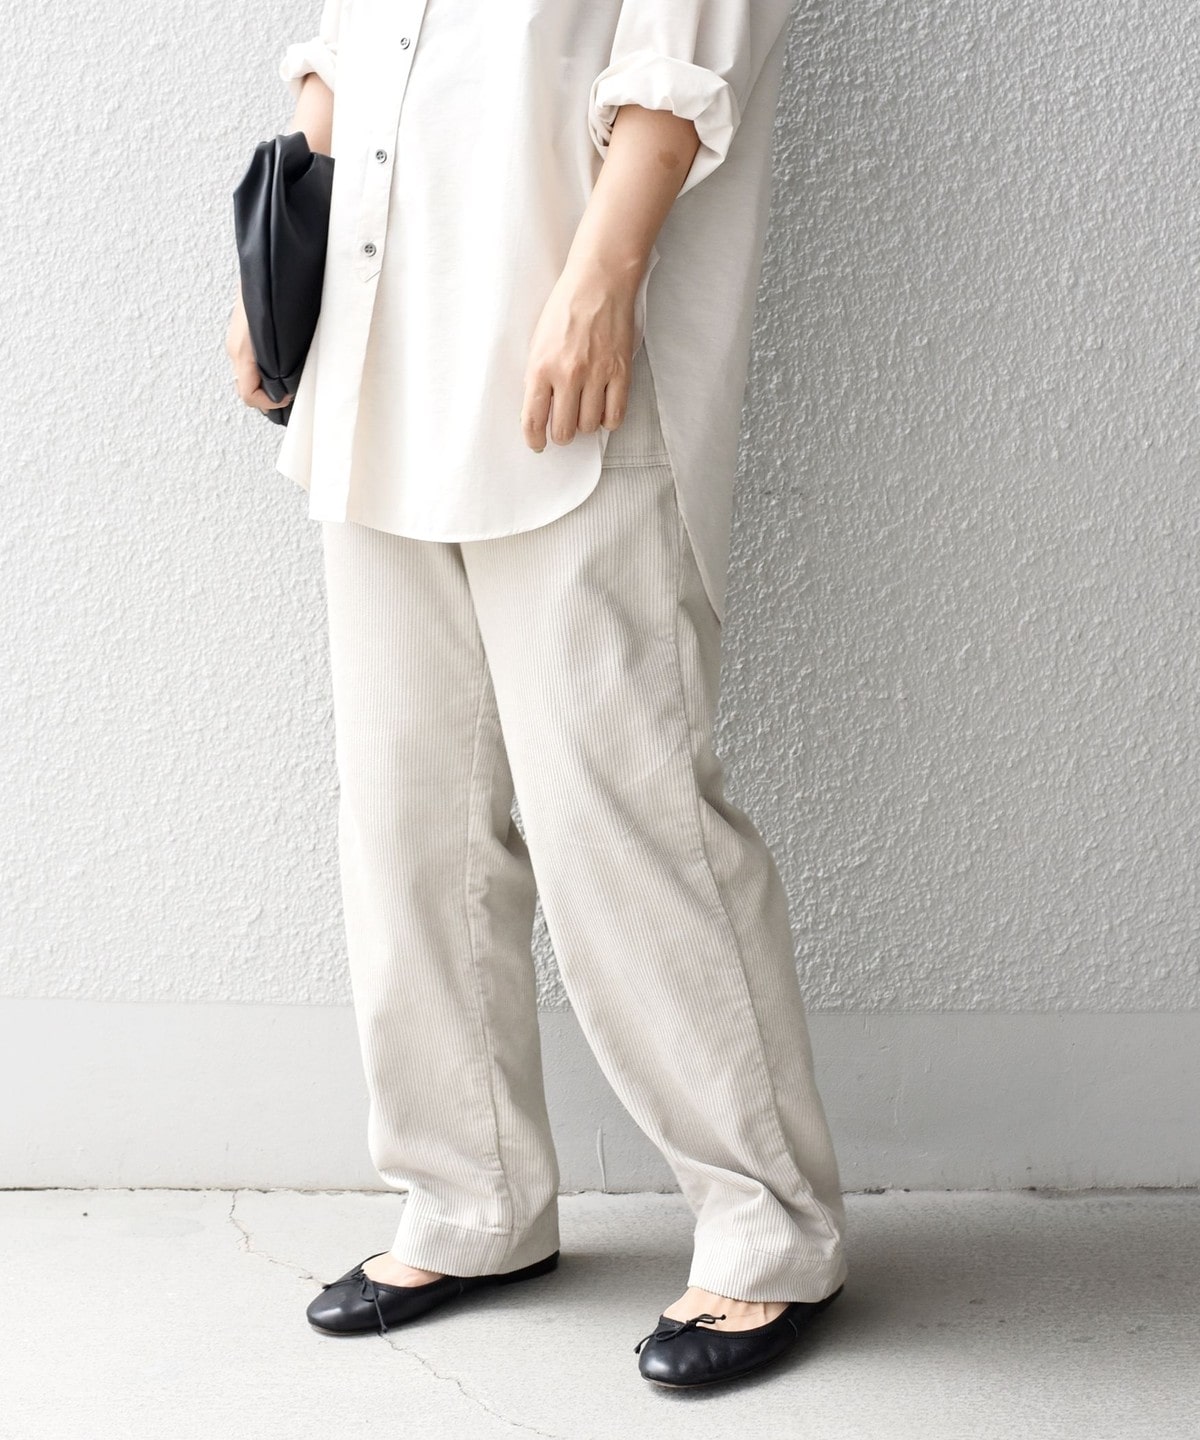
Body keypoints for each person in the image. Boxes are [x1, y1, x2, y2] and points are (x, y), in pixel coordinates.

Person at [226, 0, 849, 1390]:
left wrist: (601, 280)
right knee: (406, 813)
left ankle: (770, 1230)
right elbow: (350, 58)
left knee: (622, 818)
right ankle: (472, 1198)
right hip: (372, 359)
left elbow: (683, 66)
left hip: (571, 364)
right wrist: (271, 265)